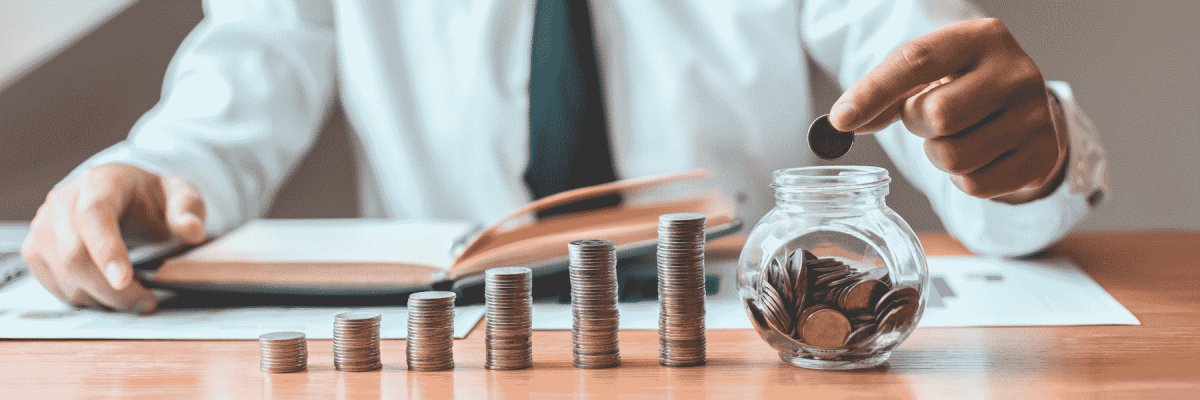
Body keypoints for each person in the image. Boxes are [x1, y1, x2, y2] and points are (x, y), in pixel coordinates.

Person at [21, 0, 1108, 314]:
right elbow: (230, 99)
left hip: (743, 362)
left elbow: (929, 70)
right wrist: (143, 173)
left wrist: (1026, 157)